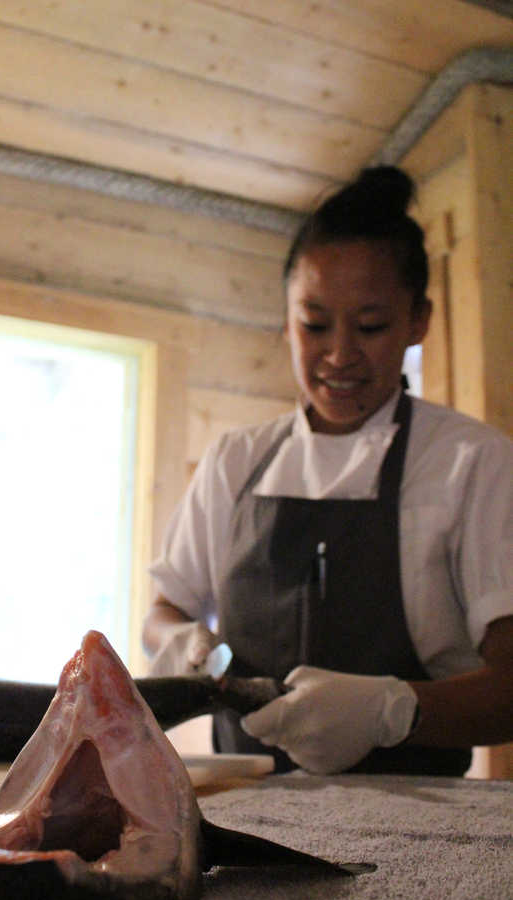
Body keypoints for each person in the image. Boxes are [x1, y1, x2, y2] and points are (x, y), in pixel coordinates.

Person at [142, 165, 513, 776]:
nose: (340, 355)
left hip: (418, 824)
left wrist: (394, 711)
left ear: (418, 319)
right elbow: (165, 611)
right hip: (248, 814)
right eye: (314, 324)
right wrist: (181, 644)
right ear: (285, 322)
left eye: (371, 326)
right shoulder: (234, 462)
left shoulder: (469, 462)